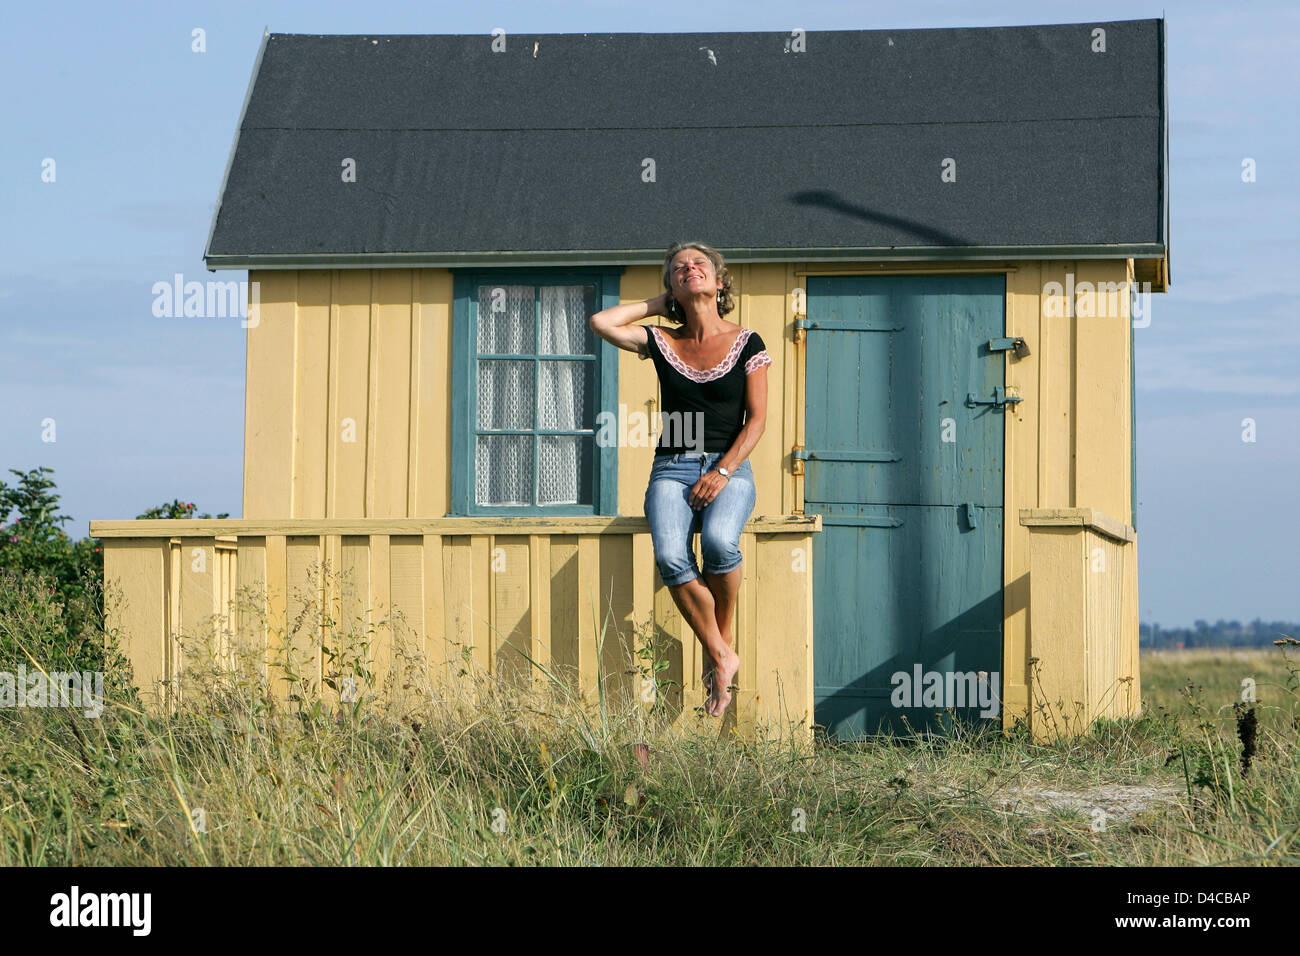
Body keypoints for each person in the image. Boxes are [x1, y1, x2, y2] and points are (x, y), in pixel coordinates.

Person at [589, 241, 771, 717]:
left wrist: (723, 470)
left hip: (730, 466)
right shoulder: (663, 341)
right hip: (671, 466)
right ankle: (720, 654)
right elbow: (601, 323)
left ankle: (719, 645)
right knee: (671, 555)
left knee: (718, 543)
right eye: (678, 269)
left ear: (720, 281)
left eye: (699, 265)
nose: (690, 270)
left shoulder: (748, 342)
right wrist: (663, 300)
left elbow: (756, 421)